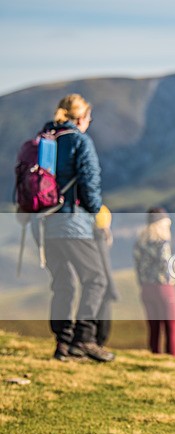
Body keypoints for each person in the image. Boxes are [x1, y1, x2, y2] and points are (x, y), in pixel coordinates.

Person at [37, 94, 115, 363]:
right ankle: (85, 338)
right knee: (96, 279)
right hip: (72, 223)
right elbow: (89, 182)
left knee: (64, 284)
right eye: (89, 118)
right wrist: (97, 213)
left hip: (45, 222)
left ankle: (62, 344)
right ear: (81, 118)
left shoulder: (45, 138)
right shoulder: (80, 141)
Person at [133, 207, 175, 356]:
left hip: (146, 289)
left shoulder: (140, 243)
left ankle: (155, 356)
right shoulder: (162, 243)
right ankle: (173, 359)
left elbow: (138, 266)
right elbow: (165, 263)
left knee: (154, 328)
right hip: (163, 288)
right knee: (170, 327)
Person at [93, 204, 119, 347]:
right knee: (103, 314)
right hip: (102, 286)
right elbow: (105, 265)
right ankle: (98, 343)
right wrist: (112, 289)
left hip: (95, 283)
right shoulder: (100, 238)